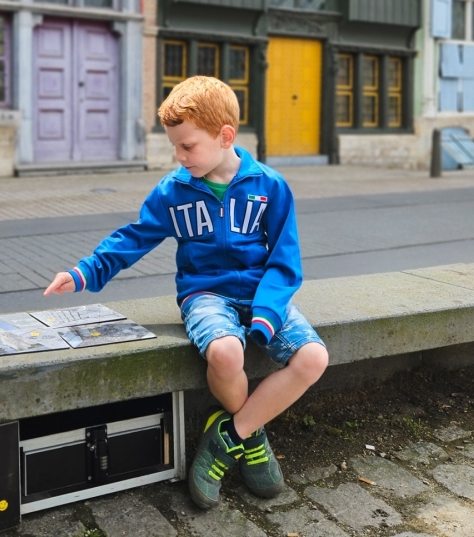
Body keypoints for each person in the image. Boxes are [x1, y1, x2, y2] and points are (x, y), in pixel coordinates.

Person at [43, 75, 329, 509]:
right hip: (205, 295)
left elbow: (285, 262)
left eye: (187, 146)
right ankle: (252, 436)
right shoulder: (173, 191)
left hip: (262, 294)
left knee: (314, 358)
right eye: (174, 146)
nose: (179, 156)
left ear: (224, 136)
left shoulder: (270, 186)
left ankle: (227, 436)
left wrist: (268, 312)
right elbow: (133, 238)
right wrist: (83, 272)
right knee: (227, 353)